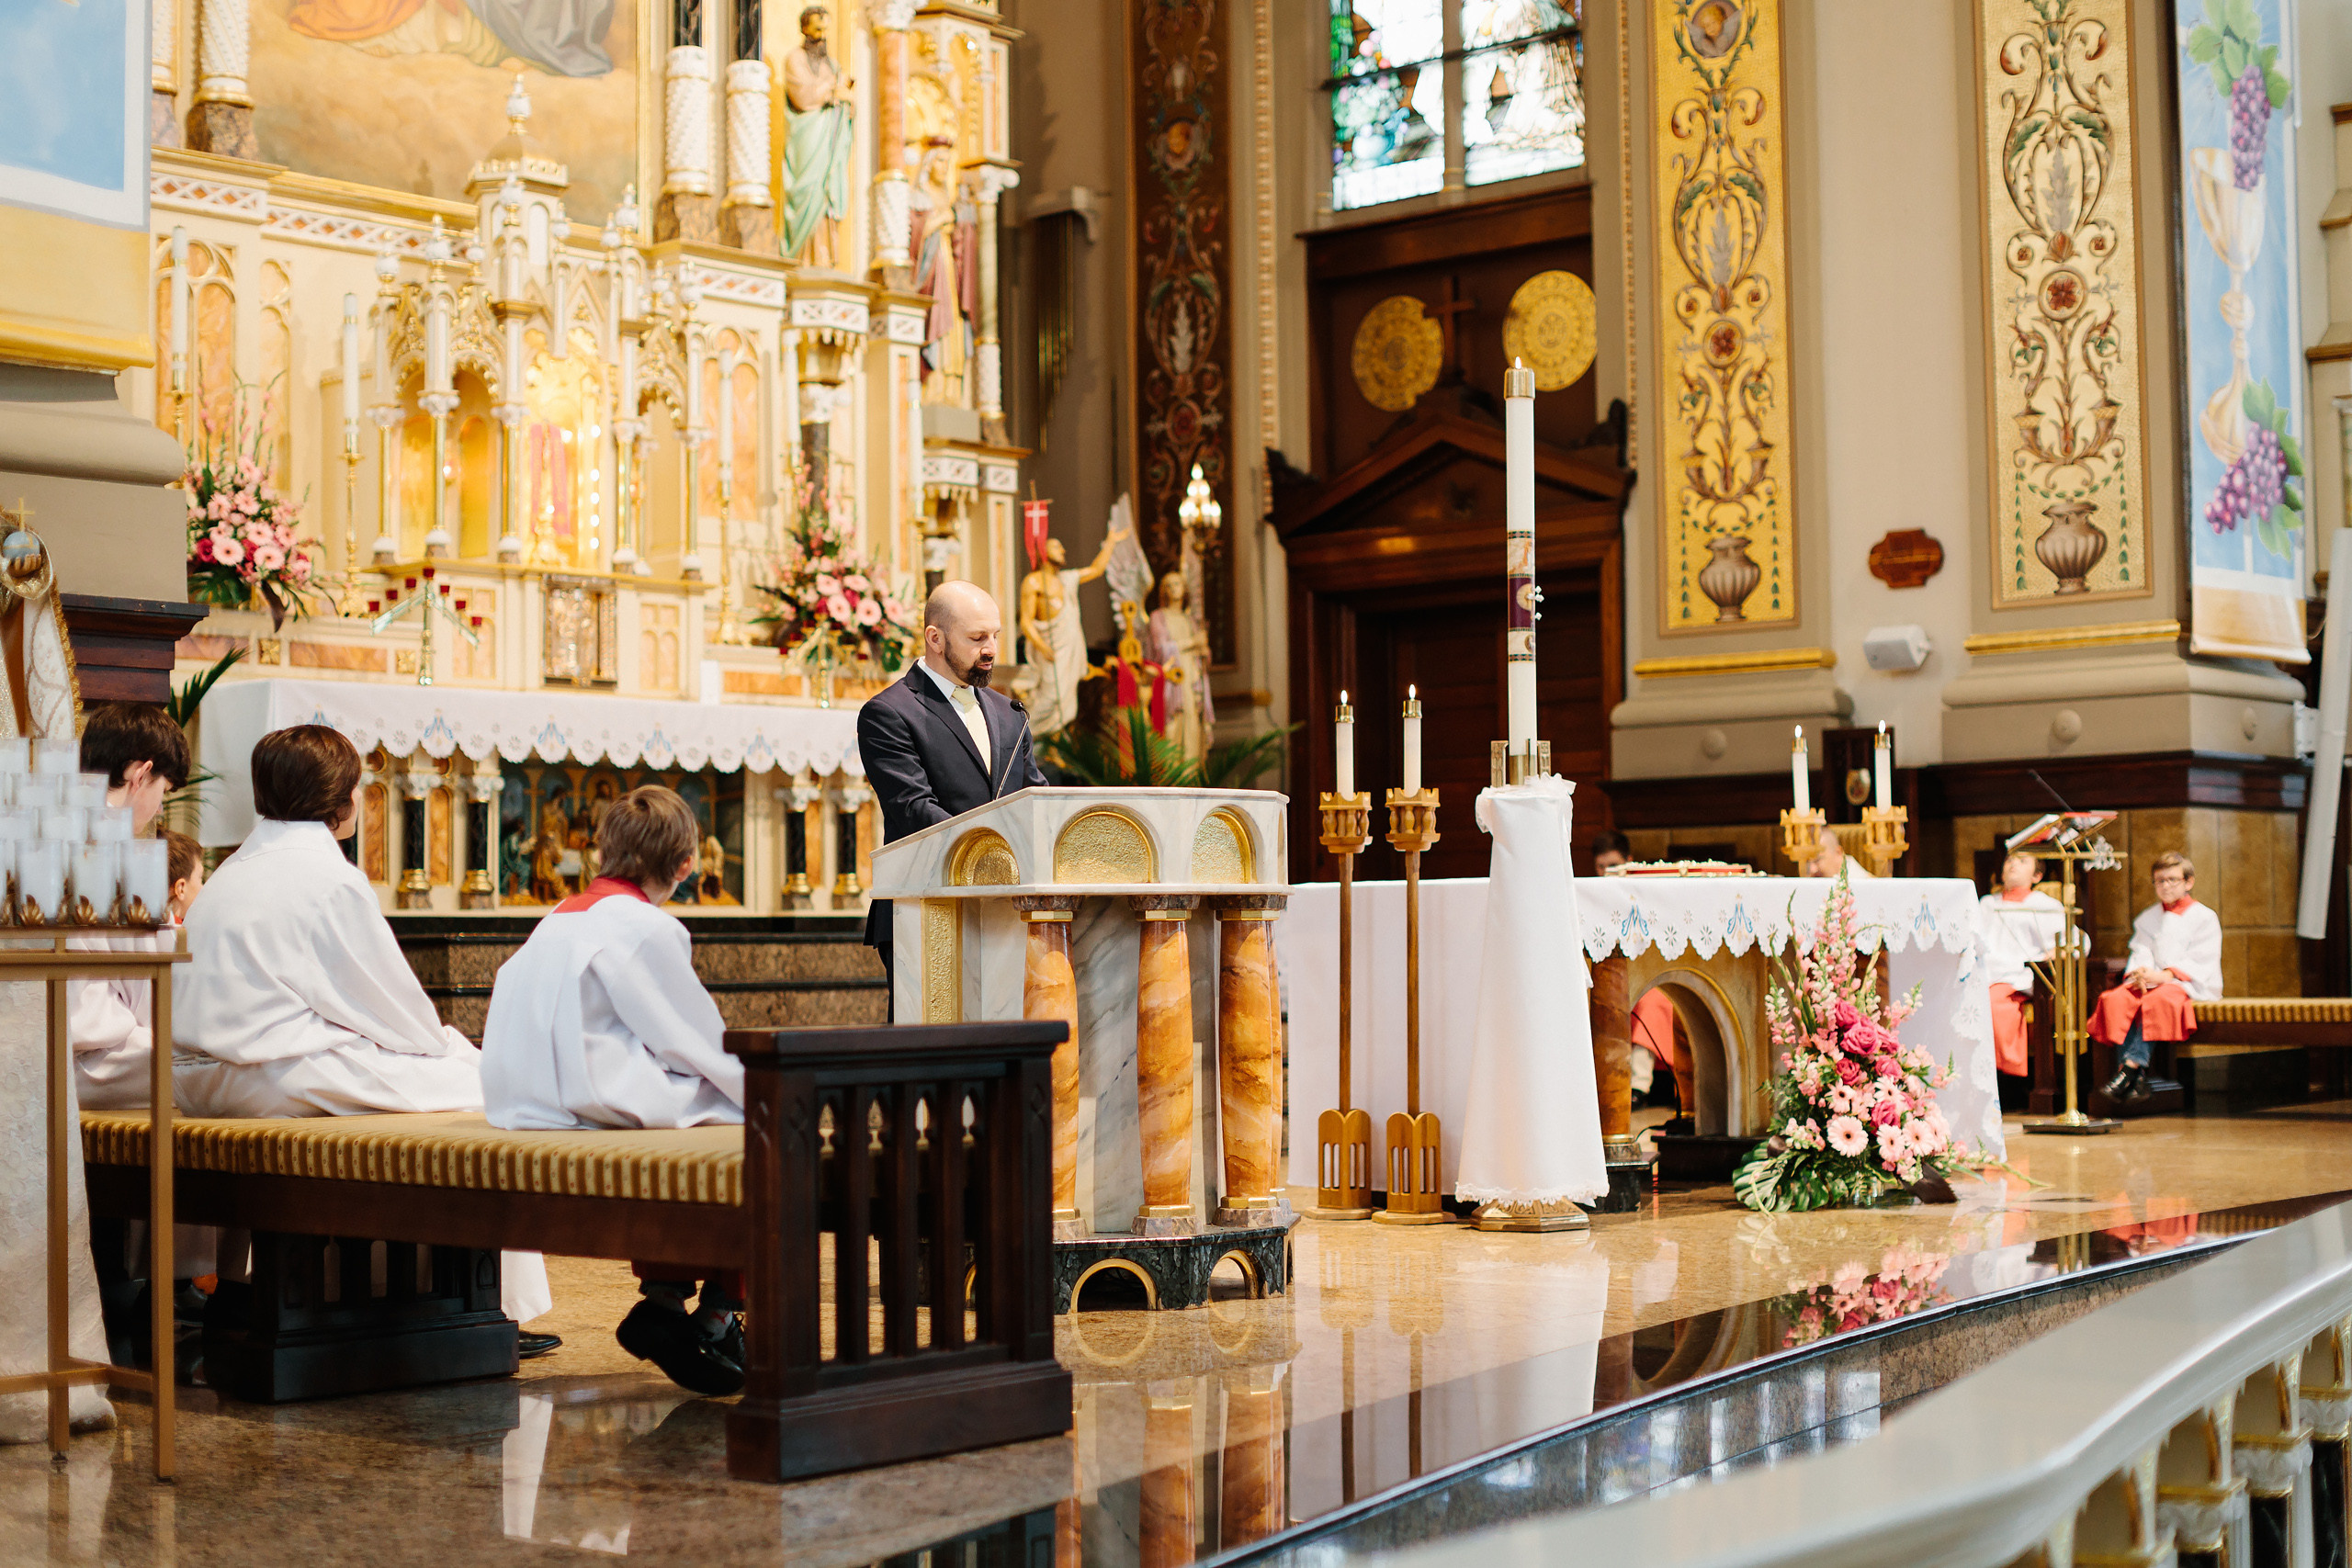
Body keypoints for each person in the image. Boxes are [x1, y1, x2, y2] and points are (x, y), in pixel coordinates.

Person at [171, 725, 556, 1344]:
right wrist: (445, 1047)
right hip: (272, 1076)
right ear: (342, 800)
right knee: (479, 1085)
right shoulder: (328, 879)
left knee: (447, 1074)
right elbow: (394, 1011)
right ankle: (487, 1305)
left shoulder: (230, 871)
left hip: (200, 1079)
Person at [481, 786, 744, 1393]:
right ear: (685, 865)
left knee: (702, 1116)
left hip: (524, 1102)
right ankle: (717, 1310)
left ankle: (668, 1299)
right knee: (748, 1127)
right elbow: (695, 1040)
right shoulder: (645, 926)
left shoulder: (558, 914)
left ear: (600, 850)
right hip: (583, 1102)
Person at [855, 581, 1049, 1000]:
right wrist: (998, 853)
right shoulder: (889, 713)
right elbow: (914, 810)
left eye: (995, 635)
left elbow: (1035, 800)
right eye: (978, 638)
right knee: (933, 1053)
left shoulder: (1008, 712)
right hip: (926, 905)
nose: (992, 648)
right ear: (935, 638)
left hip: (1008, 911)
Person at [2088, 852, 2221, 1102]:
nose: (2165, 886)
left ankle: (2128, 1069)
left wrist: (2164, 976)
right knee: (2116, 999)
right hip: (2151, 980)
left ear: (2188, 882)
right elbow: (2141, 950)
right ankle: (2135, 1080)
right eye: (2160, 881)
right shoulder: (2148, 918)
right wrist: (2140, 973)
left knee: (2155, 1002)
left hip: (2186, 982)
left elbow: (2202, 957)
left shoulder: (2204, 917)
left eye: (2172, 880)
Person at [1017, 522, 1125, 739]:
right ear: (1043, 552)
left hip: (1069, 651)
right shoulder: (1034, 582)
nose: (1063, 550)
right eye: (1057, 547)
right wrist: (1042, 646)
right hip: (1051, 652)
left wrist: (1111, 543)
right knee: (1049, 699)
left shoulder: (1067, 579)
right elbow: (1026, 622)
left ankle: (1057, 747)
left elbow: (1096, 569)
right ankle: (1023, 737)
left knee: (1067, 703)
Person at [1977, 851, 2064, 1098]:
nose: (2013, 864)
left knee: (1992, 1006)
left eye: (2022, 861)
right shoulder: (1986, 904)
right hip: (1984, 973)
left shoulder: (2045, 905)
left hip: (2019, 975)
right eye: (2009, 860)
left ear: (2037, 875)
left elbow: (2076, 940)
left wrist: (2056, 951)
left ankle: (2004, 1082)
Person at [1804, 829, 1872, 880]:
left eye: (1817, 860)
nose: (1812, 869)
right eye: (1807, 862)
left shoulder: (1864, 884)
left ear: (1838, 852)